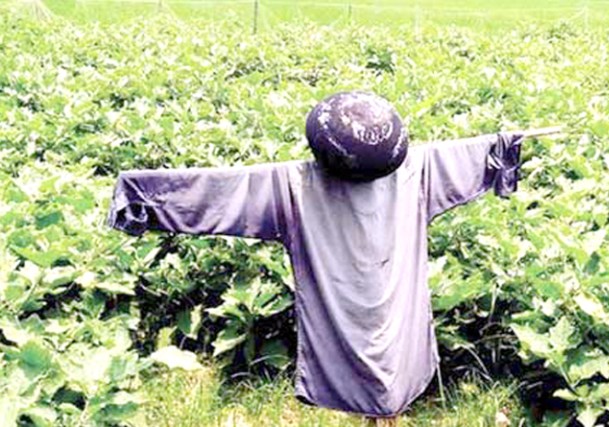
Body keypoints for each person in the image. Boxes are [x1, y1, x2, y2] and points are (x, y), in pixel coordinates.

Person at [107, 91, 561, 422]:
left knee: (388, 380)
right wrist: (143, 192)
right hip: (367, 299)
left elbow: (225, 190)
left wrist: (145, 194)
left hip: (383, 299)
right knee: (387, 379)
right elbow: (223, 190)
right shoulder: (396, 175)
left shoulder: (311, 183)